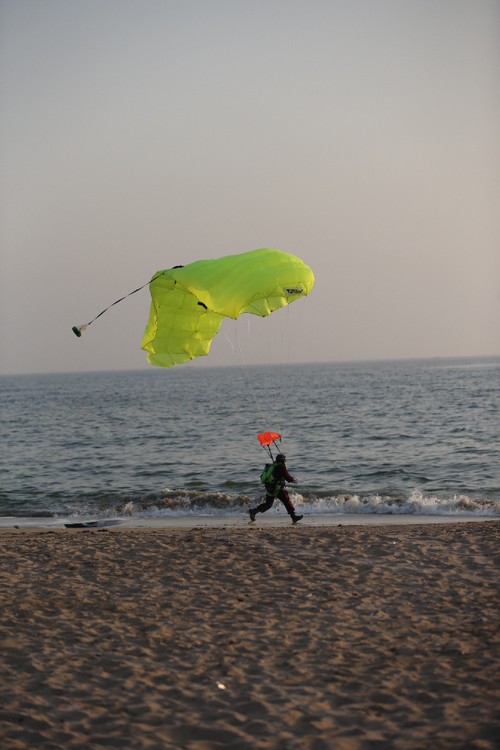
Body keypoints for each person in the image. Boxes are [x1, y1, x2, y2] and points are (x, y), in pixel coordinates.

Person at [249, 454, 303, 524]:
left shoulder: (272, 466)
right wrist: (294, 480)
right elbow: (288, 478)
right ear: (283, 461)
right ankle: (294, 517)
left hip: (269, 488)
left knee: (268, 504)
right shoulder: (281, 467)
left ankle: (254, 511)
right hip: (277, 488)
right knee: (286, 500)